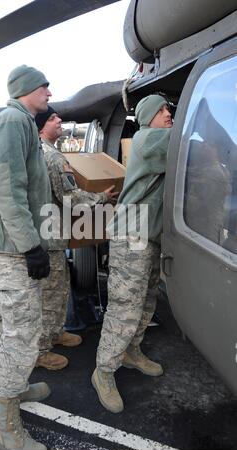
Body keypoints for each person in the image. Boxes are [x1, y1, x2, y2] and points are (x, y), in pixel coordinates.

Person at [0, 65, 53, 450]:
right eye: (45, 87)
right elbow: (6, 189)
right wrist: (30, 246)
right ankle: (6, 427)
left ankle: (16, 388)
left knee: (11, 326)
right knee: (22, 333)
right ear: (27, 89)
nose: (50, 93)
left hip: (14, 247)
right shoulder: (12, 121)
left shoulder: (19, 121)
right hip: (14, 250)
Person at [91, 94, 173, 413]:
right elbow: (192, 143)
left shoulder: (159, 137)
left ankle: (131, 351)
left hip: (149, 234)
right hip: (132, 234)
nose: (169, 113)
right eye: (163, 109)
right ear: (149, 116)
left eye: (169, 108)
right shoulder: (148, 138)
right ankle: (104, 371)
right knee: (125, 305)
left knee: (147, 298)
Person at [34, 106, 119, 370]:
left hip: (47, 233)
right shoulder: (54, 158)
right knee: (51, 294)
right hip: (51, 237)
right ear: (40, 128)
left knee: (57, 289)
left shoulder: (39, 153)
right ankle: (41, 349)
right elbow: (72, 200)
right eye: (52, 118)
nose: (59, 120)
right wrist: (103, 197)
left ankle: (55, 333)